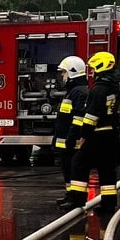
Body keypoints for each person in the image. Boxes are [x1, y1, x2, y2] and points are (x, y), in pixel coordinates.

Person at [58, 51, 120, 215]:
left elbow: (90, 117)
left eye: (93, 68)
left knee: (79, 162)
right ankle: (108, 204)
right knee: (107, 169)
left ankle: (77, 199)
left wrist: (84, 136)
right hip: (111, 134)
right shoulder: (114, 87)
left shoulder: (98, 90)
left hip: (97, 134)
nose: (91, 72)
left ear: (100, 67)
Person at [52, 55, 88, 205]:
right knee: (67, 170)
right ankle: (70, 195)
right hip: (66, 141)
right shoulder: (72, 91)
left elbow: (78, 119)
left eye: (64, 72)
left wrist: (71, 138)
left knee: (75, 171)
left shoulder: (80, 92)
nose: (62, 75)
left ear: (72, 72)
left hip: (73, 142)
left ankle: (76, 198)